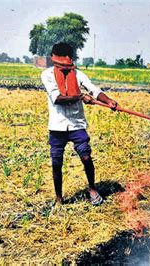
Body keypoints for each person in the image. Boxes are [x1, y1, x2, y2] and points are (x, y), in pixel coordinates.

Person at [41, 42, 118, 206]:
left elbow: (95, 91)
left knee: (86, 157)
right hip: (57, 125)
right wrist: (81, 97)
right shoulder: (47, 75)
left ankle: (92, 188)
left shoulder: (78, 75)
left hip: (77, 124)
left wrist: (108, 100)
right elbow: (58, 98)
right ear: (54, 61)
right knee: (56, 163)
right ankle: (59, 198)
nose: (63, 69)